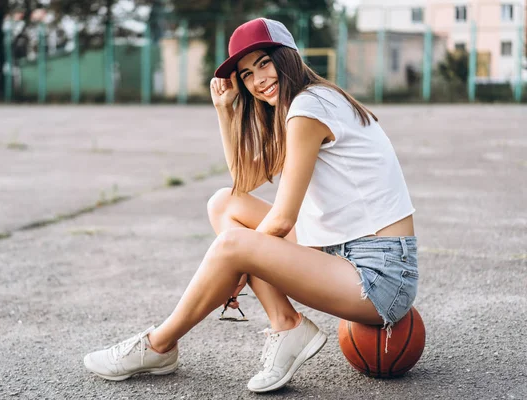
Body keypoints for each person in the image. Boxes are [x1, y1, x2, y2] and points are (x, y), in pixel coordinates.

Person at [83, 18, 418, 393]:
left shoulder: (309, 108)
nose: (257, 80)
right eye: (246, 74)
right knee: (224, 206)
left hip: (380, 277)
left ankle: (158, 344)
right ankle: (287, 324)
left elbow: (283, 218)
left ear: (287, 56)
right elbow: (244, 181)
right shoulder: (307, 103)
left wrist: (235, 262)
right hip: (341, 252)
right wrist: (225, 111)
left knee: (234, 244)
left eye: (263, 62)